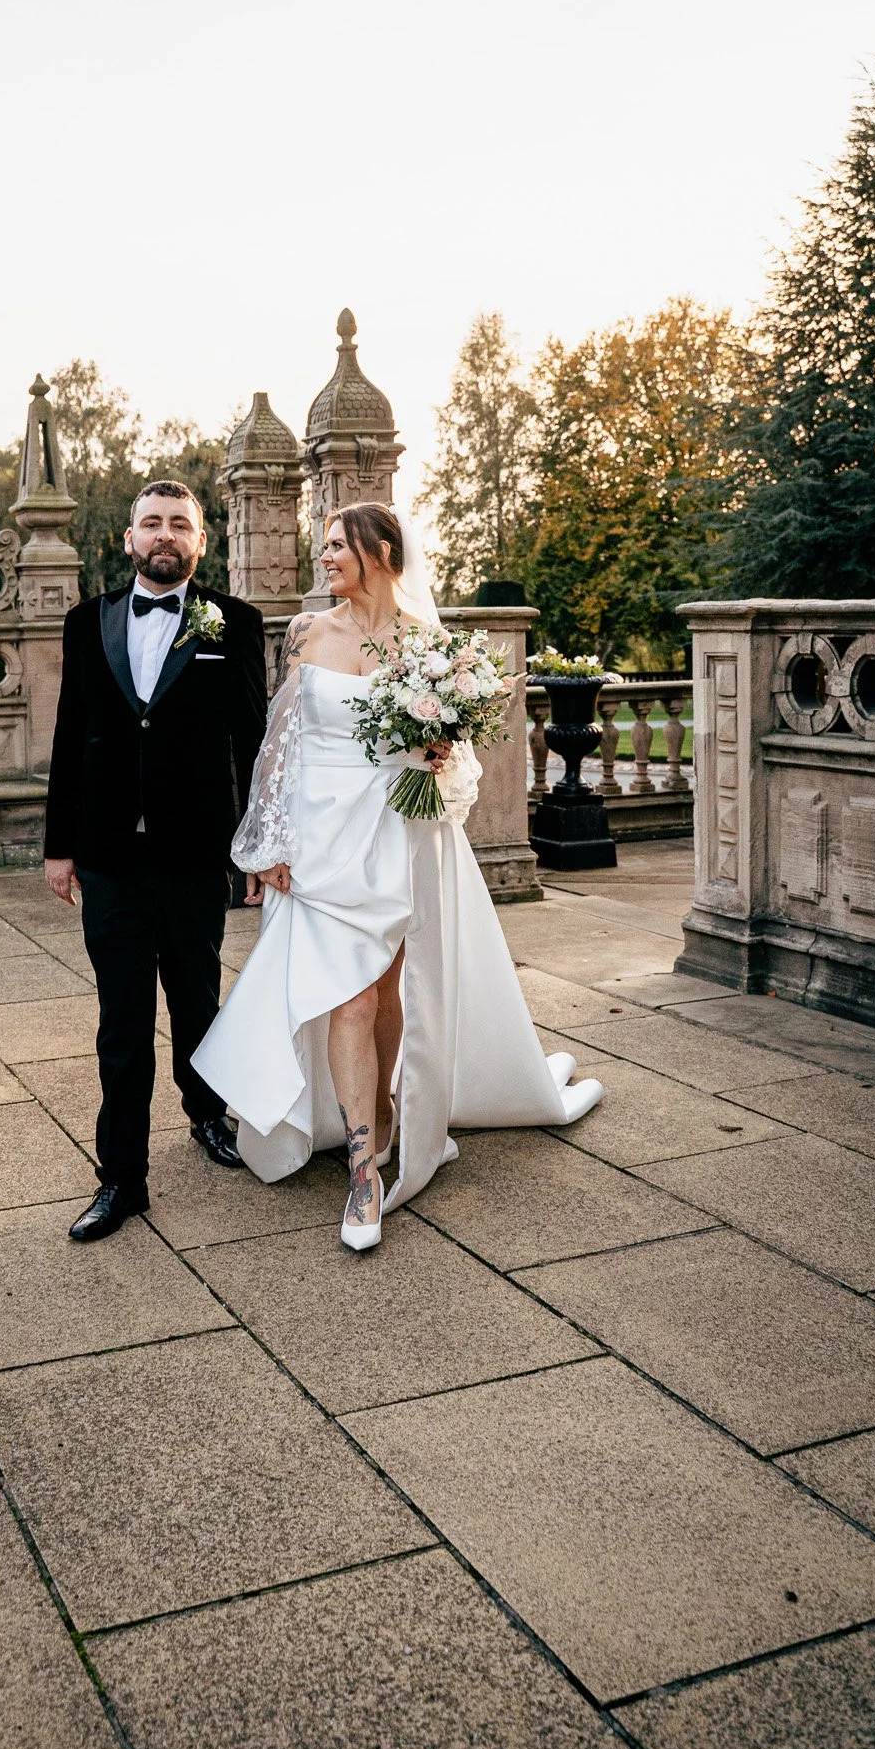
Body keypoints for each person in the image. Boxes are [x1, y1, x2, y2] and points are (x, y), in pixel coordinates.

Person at [192, 501, 602, 1251]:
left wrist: (439, 760)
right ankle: (361, 1170)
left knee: (387, 990)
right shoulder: (306, 633)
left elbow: (460, 758)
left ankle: (380, 1115)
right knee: (346, 998)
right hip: (318, 839)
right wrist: (264, 842)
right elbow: (277, 746)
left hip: (398, 833)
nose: (324, 558)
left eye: (336, 545)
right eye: (322, 546)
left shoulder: (430, 647)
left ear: (380, 551)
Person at [44, 479, 268, 1241]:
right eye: (151, 523)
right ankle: (121, 1180)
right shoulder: (88, 620)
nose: (165, 535)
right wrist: (58, 848)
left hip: (196, 851)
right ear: (129, 538)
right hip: (107, 857)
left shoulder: (233, 622)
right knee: (122, 1022)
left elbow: (253, 739)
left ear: (201, 543)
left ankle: (207, 1113)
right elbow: (70, 734)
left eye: (180, 524)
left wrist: (255, 849)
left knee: (199, 1000)